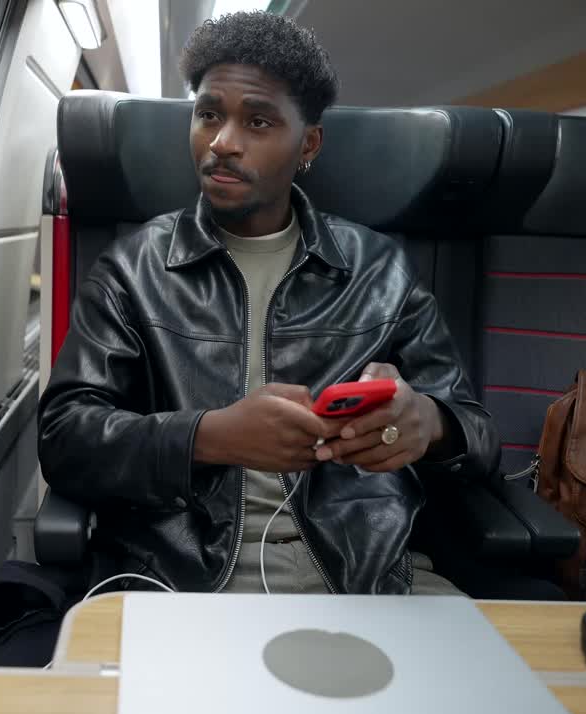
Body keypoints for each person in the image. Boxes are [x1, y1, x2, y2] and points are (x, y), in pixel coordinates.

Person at [37, 11, 498, 596]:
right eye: (208, 115)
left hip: (366, 575)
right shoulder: (133, 270)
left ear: (308, 143)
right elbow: (65, 438)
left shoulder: (378, 271)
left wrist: (429, 424)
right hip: (177, 580)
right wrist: (210, 436)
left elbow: (480, 435)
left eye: (257, 121)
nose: (223, 143)